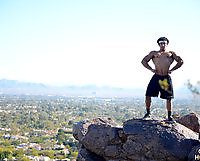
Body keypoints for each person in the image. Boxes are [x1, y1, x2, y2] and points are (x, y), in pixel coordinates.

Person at [141, 37, 183, 121]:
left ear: (167, 44)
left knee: (168, 98)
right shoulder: (154, 53)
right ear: (159, 44)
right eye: (161, 43)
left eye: (164, 43)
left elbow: (180, 61)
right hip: (156, 76)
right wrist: (151, 69)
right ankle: (148, 113)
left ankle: (169, 116)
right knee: (148, 95)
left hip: (165, 78)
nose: (163, 45)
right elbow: (144, 61)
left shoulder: (170, 53)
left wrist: (172, 70)